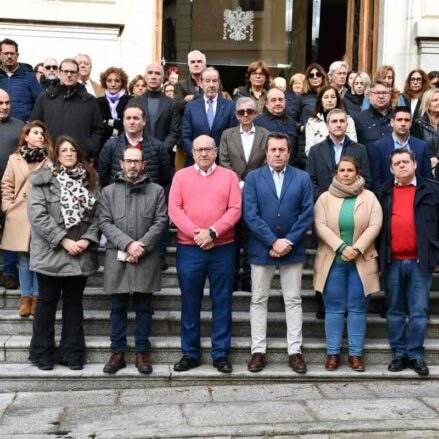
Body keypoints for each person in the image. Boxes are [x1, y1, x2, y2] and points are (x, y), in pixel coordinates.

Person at [169, 135, 241, 373]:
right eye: (199, 150)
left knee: (222, 301)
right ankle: (190, 353)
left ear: (216, 151)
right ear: (192, 152)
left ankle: (220, 354)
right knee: (190, 302)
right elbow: (174, 210)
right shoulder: (181, 176)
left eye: (208, 149)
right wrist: (197, 235)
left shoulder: (229, 177)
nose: (203, 154)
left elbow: (235, 209)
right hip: (190, 249)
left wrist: (212, 232)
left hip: (223, 248)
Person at [28, 136, 100, 371]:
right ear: (56, 155)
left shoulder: (90, 181)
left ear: (78, 154)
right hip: (51, 252)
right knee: (47, 303)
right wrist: (63, 240)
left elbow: (98, 215)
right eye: (64, 150)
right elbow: (38, 216)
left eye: (73, 150)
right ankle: (42, 353)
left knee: (73, 303)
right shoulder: (43, 181)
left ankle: (72, 353)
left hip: (79, 253)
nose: (69, 154)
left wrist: (86, 240)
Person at [243, 132, 313, 374]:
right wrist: (273, 241)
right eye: (273, 150)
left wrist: (288, 241)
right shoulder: (253, 178)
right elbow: (250, 215)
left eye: (282, 150)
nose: (277, 154)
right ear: (266, 152)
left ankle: (295, 351)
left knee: (293, 300)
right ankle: (258, 351)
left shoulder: (302, 178)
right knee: (258, 300)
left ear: (289, 152)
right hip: (262, 248)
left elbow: (307, 214)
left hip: (292, 249)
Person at [100, 146, 167, 375]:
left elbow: (160, 221)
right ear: (121, 164)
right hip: (117, 256)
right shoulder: (108, 191)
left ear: (143, 164)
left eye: (136, 161)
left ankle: (142, 352)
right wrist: (128, 244)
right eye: (128, 161)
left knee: (143, 307)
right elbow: (105, 222)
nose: (132, 165)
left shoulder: (156, 190)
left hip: (145, 256)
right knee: (117, 308)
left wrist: (141, 246)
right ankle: (117, 353)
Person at [314, 157, 382, 372]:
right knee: (333, 308)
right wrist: (342, 247)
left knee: (357, 308)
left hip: (361, 260)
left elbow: (375, 224)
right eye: (341, 170)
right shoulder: (325, 198)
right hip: (333, 260)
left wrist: (358, 248)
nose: (345, 174)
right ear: (335, 173)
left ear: (357, 172)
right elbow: (320, 225)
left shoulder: (369, 197)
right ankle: (333, 354)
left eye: (349, 170)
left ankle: (355, 355)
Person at [376, 148, 439, 376]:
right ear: (391, 168)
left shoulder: (432, 190)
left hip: (420, 262)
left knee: (419, 311)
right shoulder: (382, 192)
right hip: (392, 262)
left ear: (414, 164)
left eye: (405, 162)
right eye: (397, 163)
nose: (401, 166)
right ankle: (399, 353)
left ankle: (416, 355)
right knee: (394, 309)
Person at [1, 121, 52, 317]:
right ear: (26, 137)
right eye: (36, 133)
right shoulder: (14, 159)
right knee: (23, 259)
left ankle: (38, 297)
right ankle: (26, 297)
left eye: (42, 133)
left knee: (38, 259)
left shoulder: (49, 160)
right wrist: (8, 207)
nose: (40, 136)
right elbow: (7, 185)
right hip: (19, 215)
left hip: (41, 215)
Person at [219, 97, 270, 292]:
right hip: (231, 193)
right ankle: (231, 280)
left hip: (256, 193)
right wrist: (238, 183)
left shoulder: (265, 134)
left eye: (250, 111)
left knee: (252, 238)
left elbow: (268, 159)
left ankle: (249, 280)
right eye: (242, 112)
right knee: (232, 238)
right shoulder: (227, 135)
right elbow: (223, 159)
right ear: (236, 115)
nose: (246, 115)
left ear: (256, 113)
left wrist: (249, 183)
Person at [30, 58, 103, 160]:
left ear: (78, 75)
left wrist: (89, 148)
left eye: (73, 72)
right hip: (50, 157)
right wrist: (44, 149)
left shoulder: (89, 100)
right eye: (66, 71)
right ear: (59, 73)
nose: (69, 75)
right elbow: (35, 126)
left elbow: (98, 130)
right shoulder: (44, 98)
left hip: (80, 158)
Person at [98, 103, 171, 187]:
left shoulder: (158, 147)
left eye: (136, 118)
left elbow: (166, 177)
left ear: (144, 122)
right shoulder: (110, 145)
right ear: (123, 122)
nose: (132, 122)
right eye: (128, 118)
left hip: (148, 197)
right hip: (119, 197)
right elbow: (102, 175)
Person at [306, 108, 371, 201]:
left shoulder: (360, 149)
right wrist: (324, 199)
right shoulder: (315, 151)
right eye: (334, 121)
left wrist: (352, 199)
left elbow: (366, 180)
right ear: (327, 126)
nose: (338, 125)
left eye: (342, 121)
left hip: (352, 204)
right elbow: (310, 180)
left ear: (347, 125)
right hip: (323, 203)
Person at [182, 67, 237, 166]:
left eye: (214, 81)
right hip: (195, 163)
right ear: (201, 83)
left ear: (218, 83)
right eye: (207, 81)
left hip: (221, 163)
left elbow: (232, 136)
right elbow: (185, 136)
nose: (211, 85)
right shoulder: (191, 107)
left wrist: (215, 155)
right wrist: (197, 155)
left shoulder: (230, 106)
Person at [369, 106, 432, 189]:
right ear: (392, 122)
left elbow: (427, 177)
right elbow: (376, 179)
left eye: (407, 120)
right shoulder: (379, 146)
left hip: (417, 195)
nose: (403, 123)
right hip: (389, 196)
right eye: (399, 120)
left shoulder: (422, 146)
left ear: (411, 123)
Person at [134, 62, 180, 154]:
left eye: (157, 73)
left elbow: (174, 132)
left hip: (164, 156)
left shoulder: (172, 104)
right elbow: (130, 129)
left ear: (163, 78)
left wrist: (161, 150)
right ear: (145, 77)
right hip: (139, 155)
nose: (153, 76)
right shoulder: (134, 102)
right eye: (150, 73)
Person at [305, 85, 357, 155]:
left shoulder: (348, 120)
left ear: (337, 100)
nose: (330, 100)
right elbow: (309, 150)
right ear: (321, 100)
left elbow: (354, 146)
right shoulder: (312, 122)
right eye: (326, 97)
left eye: (333, 97)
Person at [0, 38, 42, 121]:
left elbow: (39, 101)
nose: (9, 56)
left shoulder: (29, 75)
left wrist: (31, 121)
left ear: (17, 55)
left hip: (22, 126)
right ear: (0, 55)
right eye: (6, 53)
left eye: (12, 53)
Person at [254, 88, 298, 165]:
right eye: (273, 100)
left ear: (285, 102)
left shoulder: (292, 122)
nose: (278, 103)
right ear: (266, 104)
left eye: (280, 100)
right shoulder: (258, 123)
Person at [354, 80, 393, 154]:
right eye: (377, 93)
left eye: (384, 93)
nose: (381, 96)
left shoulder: (397, 118)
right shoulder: (359, 119)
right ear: (370, 96)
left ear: (390, 95)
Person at [97, 67, 131, 145]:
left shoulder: (130, 101)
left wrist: (107, 121)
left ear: (122, 83)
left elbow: (128, 124)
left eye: (117, 81)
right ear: (104, 83)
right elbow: (98, 126)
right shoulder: (98, 102)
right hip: (103, 145)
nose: (113, 84)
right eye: (109, 81)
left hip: (126, 144)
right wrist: (117, 125)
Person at [413, 88, 439, 177]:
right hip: (425, 169)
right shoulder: (417, 124)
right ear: (427, 103)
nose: (438, 102)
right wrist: (429, 159)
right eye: (435, 100)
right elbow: (415, 149)